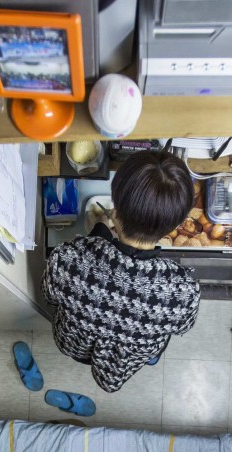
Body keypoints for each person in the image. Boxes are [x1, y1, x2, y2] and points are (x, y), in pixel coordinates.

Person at [42, 151, 201, 393]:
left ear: (115, 208)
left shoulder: (68, 259)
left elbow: (49, 296)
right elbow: (183, 327)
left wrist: (98, 237)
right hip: (129, 356)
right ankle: (149, 356)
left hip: (75, 344)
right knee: (152, 347)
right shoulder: (183, 291)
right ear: (176, 226)